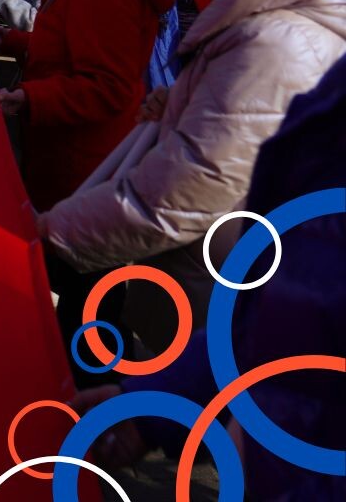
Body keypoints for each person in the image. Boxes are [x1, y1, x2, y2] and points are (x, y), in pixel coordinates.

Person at [39, 0, 346, 353]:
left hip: (225, 305)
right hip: (213, 283)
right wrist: (183, 106)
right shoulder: (266, 22)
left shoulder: (273, 41)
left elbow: (185, 193)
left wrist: (46, 236)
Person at [73, 50, 346, 500]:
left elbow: (203, 173)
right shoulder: (325, 89)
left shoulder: (277, 40)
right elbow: (282, 313)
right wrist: (154, 408)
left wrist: (62, 231)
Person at [0, 0, 177, 386]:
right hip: (77, 161)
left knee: (87, 304)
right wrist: (11, 40)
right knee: (82, 293)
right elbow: (69, 45)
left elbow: (106, 85)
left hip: (86, 166)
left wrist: (28, 98)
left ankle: (96, 410)